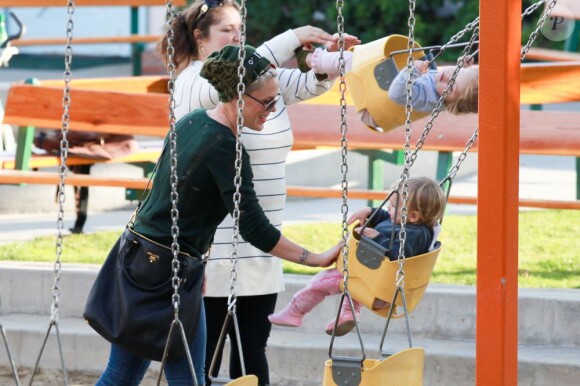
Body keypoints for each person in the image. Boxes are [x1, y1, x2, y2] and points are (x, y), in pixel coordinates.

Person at [95, 45, 341, 386]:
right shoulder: (226, 148)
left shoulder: (192, 122)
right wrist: (316, 258)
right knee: (181, 379)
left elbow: (170, 201)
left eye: (276, 100)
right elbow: (254, 227)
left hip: (143, 261)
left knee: (124, 376)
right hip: (168, 274)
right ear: (239, 98)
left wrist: (197, 260)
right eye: (266, 102)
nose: (272, 110)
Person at [157, 1, 359, 385]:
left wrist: (326, 63)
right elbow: (241, 72)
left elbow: (299, 83)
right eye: (227, 31)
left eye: (239, 29)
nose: (238, 37)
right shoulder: (194, 83)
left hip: (265, 238)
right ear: (200, 39)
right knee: (203, 359)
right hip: (213, 245)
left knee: (253, 355)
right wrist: (291, 38)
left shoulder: (259, 83)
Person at [268, 176, 446, 337]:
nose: (388, 210)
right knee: (355, 281)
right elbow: (387, 219)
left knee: (320, 282)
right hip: (371, 281)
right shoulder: (407, 223)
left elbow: (400, 255)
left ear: (413, 216)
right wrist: (369, 211)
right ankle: (348, 314)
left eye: (393, 206)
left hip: (379, 290)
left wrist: (376, 237)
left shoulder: (415, 235)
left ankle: (295, 313)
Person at [302, 47, 479, 126]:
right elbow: (457, 80)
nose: (449, 77)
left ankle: (311, 59)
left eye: (451, 87)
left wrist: (412, 71)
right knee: (364, 57)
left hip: (374, 111)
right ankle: (329, 66)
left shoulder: (427, 98)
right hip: (378, 94)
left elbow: (396, 94)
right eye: (457, 73)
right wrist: (464, 67)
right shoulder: (445, 84)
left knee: (353, 61)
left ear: (449, 103)